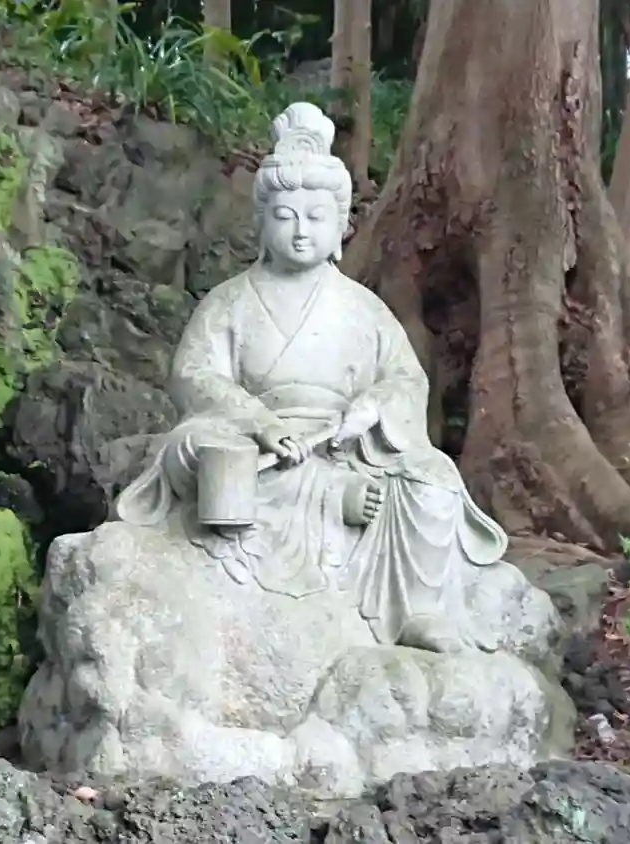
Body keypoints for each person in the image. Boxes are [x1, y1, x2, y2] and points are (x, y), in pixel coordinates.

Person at [115, 103, 508, 653]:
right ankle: (330, 501)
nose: (301, 231)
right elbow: (195, 374)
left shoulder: (364, 309)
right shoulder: (229, 301)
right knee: (199, 449)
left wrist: (373, 406)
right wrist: (258, 421)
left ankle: (415, 609)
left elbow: (406, 380)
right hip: (260, 445)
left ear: (342, 226)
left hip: (341, 443)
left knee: (433, 478)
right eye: (285, 216)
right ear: (261, 222)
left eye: (317, 217)